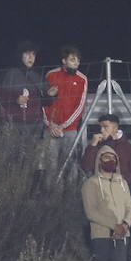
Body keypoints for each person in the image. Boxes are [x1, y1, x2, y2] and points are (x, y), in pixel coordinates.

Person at [0, 40, 54, 176]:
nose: (31, 57)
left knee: (29, 163)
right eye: (27, 54)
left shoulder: (37, 76)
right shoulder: (8, 73)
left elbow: (46, 102)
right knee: (8, 162)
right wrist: (15, 99)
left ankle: (26, 194)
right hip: (11, 125)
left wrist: (51, 95)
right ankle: (9, 192)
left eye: (33, 54)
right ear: (19, 55)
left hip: (33, 126)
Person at [44, 46, 88, 174]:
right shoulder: (51, 75)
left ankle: (70, 193)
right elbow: (43, 102)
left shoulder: (82, 79)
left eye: (78, 60)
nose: (76, 63)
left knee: (71, 166)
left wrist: (63, 126)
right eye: (73, 60)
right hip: (50, 129)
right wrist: (50, 124)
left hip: (70, 130)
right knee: (51, 166)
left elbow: (80, 106)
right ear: (64, 61)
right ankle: (52, 193)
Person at [79, 114, 131, 196]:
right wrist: (92, 145)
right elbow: (86, 167)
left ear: (115, 128)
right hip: (101, 193)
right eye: (100, 127)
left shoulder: (129, 149)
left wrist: (122, 179)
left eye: (105, 127)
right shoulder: (98, 146)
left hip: (123, 193)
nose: (102, 130)